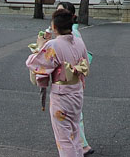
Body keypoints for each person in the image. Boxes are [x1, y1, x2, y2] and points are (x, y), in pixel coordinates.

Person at [27, 10, 89, 157]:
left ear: (54, 27)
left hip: (62, 95)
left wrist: (40, 45)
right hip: (76, 91)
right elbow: (86, 62)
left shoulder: (53, 45)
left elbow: (36, 64)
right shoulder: (79, 42)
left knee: (64, 138)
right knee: (74, 132)